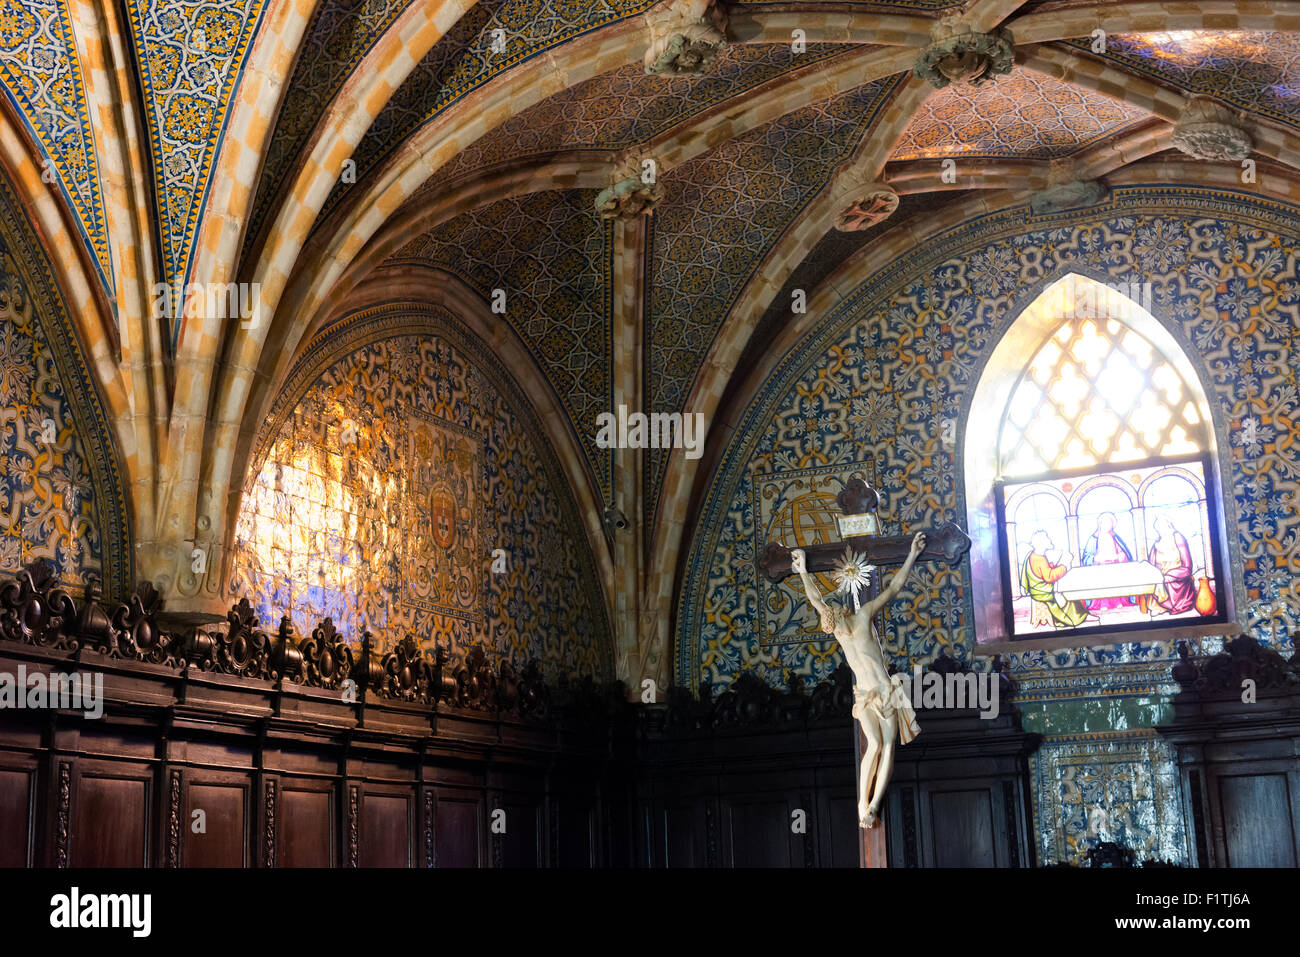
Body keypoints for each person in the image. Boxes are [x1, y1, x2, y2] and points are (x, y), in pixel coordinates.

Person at [791, 532, 925, 830]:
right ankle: (862, 803)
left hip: (886, 691)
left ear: (839, 612)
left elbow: (893, 589)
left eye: (831, 617)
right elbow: (815, 599)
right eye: (830, 622)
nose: (831, 621)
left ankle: (873, 804)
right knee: (875, 744)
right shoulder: (839, 632)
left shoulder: (863, 616)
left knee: (888, 745)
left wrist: (912, 555)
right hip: (864, 694)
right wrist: (801, 570)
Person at [1020, 530, 1092, 628]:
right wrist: (1064, 565)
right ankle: (1079, 617)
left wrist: (1053, 566)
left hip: (1039, 589)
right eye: (1047, 539)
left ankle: (1083, 614)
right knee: (1069, 593)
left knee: (1069, 588)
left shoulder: (1034, 555)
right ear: (1041, 542)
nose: (1050, 541)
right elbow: (1049, 577)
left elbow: (1042, 572)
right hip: (1043, 592)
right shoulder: (1039, 559)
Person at [1081, 512, 1135, 611]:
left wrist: (1120, 556)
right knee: (1102, 583)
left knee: (1116, 581)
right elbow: (1086, 558)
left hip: (1115, 565)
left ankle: (1118, 601)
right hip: (1099, 568)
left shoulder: (1115, 538)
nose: (1107, 525)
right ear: (1100, 524)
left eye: (1109, 523)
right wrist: (1094, 559)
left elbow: (1124, 553)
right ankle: (1103, 603)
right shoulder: (1093, 539)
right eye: (1104, 523)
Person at [1148, 516, 1195, 615]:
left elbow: (1187, 564)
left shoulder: (1177, 537)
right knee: (1157, 581)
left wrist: (1171, 573)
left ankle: (1176, 606)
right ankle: (1163, 606)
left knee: (1167, 579)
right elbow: (1151, 564)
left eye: (1162, 527)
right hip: (1161, 575)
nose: (1160, 530)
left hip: (1179, 572)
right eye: (1158, 528)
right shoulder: (1157, 544)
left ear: (1168, 525)